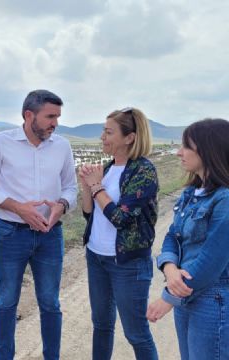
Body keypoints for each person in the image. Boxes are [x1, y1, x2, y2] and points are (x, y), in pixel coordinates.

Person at [0, 89, 77, 360]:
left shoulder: (62, 146)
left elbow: (70, 187)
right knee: (7, 302)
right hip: (11, 234)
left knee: (50, 303)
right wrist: (19, 208)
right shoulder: (1, 141)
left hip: (50, 235)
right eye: (50, 116)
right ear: (28, 115)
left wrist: (62, 206)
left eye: (57, 116)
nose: (55, 123)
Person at [79, 107, 159, 359]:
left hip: (128, 263)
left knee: (136, 333)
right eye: (103, 131)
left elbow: (121, 218)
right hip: (96, 256)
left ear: (130, 137)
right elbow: (89, 214)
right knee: (101, 325)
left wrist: (95, 187)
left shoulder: (143, 171)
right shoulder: (108, 167)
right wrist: (87, 186)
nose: (102, 136)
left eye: (108, 132)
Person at [146, 118, 229, 360]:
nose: (179, 152)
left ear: (208, 150)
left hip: (213, 300)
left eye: (186, 146)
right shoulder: (191, 193)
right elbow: (173, 235)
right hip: (185, 292)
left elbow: (212, 260)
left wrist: (168, 298)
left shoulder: (225, 199)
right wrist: (170, 269)